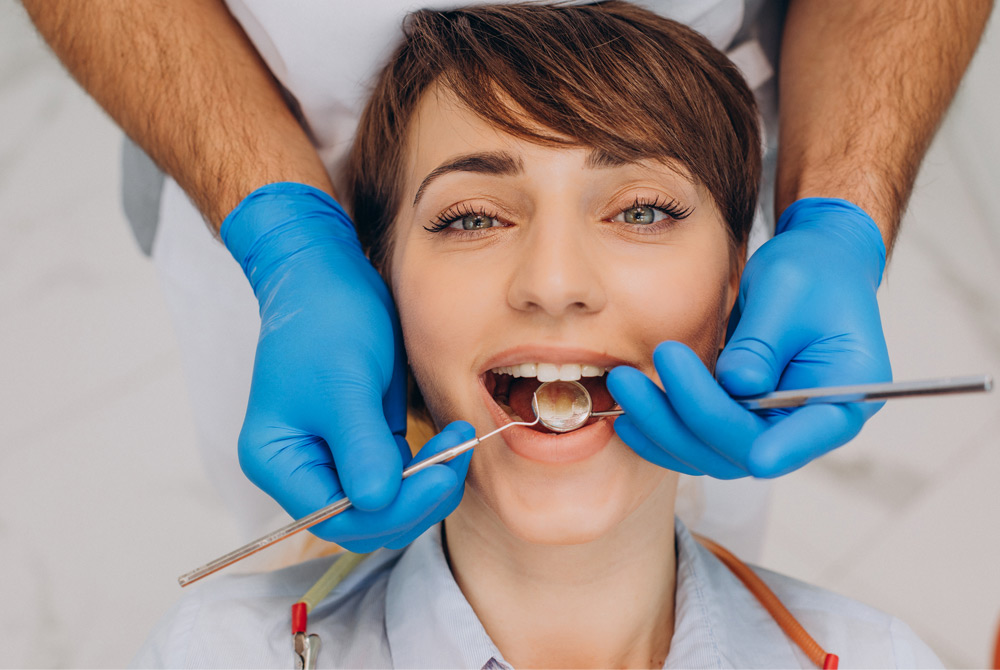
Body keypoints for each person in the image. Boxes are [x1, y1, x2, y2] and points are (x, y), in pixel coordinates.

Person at [21, 1, 992, 554]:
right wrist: (283, 235)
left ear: (737, 263)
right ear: (377, 260)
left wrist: (838, 214)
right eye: (471, 217)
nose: (555, 282)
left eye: (642, 211)